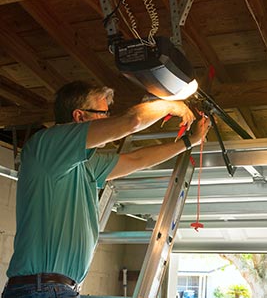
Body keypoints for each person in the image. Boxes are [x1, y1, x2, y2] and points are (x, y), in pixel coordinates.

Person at [2, 80, 210, 298]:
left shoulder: (86, 163)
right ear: (80, 116)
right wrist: (171, 105)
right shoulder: (46, 147)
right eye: (103, 113)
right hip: (40, 289)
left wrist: (189, 142)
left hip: (54, 289)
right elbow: (131, 121)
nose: (107, 119)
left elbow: (137, 159)